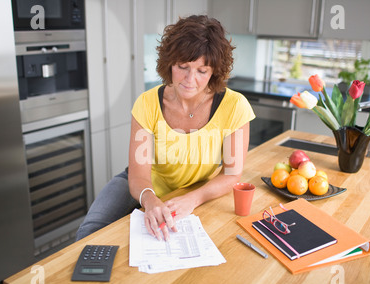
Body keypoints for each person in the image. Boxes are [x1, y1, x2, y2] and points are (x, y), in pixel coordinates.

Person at [76, 15, 255, 242]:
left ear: (214, 72)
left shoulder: (234, 106)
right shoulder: (147, 103)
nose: (190, 79)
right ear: (170, 63)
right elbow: (138, 174)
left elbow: (231, 173)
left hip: (198, 187)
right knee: (89, 232)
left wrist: (193, 198)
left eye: (202, 70)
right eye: (183, 67)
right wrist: (150, 201)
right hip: (144, 184)